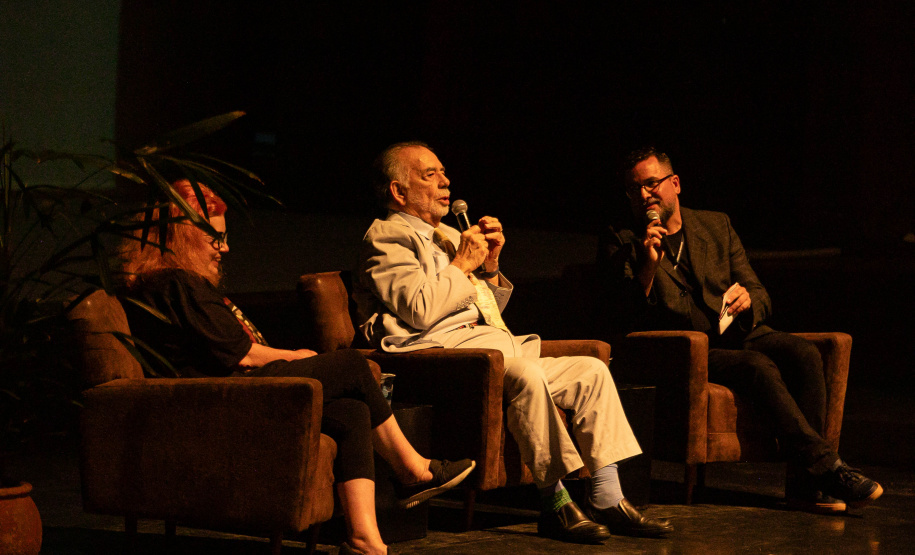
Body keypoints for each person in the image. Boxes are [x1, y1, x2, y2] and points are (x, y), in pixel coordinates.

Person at [117, 179, 475, 555]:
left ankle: (364, 540)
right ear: (181, 237)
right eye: (215, 239)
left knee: (350, 411)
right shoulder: (173, 283)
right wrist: (301, 358)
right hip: (214, 397)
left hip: (232, 387)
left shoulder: (179, 283)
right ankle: (412, 470)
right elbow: (242, 355)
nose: (225, 248)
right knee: (352, 365)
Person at [352, 142, 673, 544]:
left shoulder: (449, 233)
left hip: (487, 345)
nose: (445, 182)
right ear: (399, 192)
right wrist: (461, 264)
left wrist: (489, 267)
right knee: (523, 373)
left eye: (443, 172)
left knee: (590, 370)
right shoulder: (387, 236)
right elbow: (418, 310)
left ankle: (607, 496)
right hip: (441, 358)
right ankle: (554, 503)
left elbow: (483, 309)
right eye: (429, 175)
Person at [597, 146, 883, 514]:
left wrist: (747, 299)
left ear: (675, 183)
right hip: (684, 351)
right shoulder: (620, 240)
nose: (644, 196)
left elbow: (761, 293)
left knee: (804, 353)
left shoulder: (716, 226)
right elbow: (621, 320)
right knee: (756, 366)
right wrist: (647, 271)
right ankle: (829, 469)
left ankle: (806, 487)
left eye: (652, 185)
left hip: (736, 332)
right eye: (635, 189)